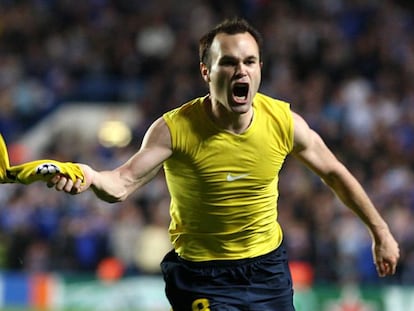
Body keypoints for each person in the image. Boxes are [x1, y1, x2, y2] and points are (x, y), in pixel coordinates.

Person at [0, 18, 399, 310]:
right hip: (202, 276)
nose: (240, 70)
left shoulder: (284, 123)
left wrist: (380, 231)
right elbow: (120, 184)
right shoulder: (175, 129)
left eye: (250, 61)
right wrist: (86, 176)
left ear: (260, 69)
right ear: (207, 72)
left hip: (267, 271)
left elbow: (334, 173)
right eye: (228, 62)